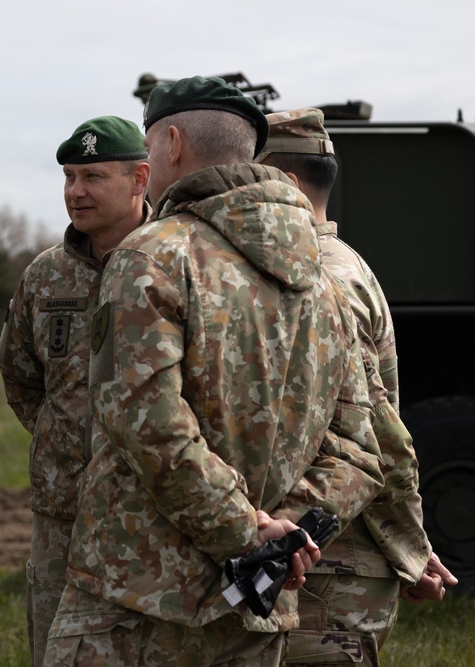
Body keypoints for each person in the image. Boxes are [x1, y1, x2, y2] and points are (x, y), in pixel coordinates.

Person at [44, 76, 386, 666]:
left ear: (173, 144)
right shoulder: (324, 281)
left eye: (149, 148)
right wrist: (286, 534)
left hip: (135, 605)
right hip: (254, 605)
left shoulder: (152, 256)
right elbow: (360, 445)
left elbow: (145, 424)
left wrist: (248, 532)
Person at [255, 108, 459, 666]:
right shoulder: (346, 264)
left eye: (251, 176)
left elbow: (378, 432)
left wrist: (411, 550)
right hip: (329, 555)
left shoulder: (320, 278)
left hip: (329, 565)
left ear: (287, 185)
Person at [0, 115, 150, 666]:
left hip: (151, 512)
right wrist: (61, 439)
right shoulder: (46, 276)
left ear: (140, 179)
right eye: (68, 177)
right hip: (64, 512)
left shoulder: (173, 265)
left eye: (93, 177)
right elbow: (20, 374)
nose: (76, 192)